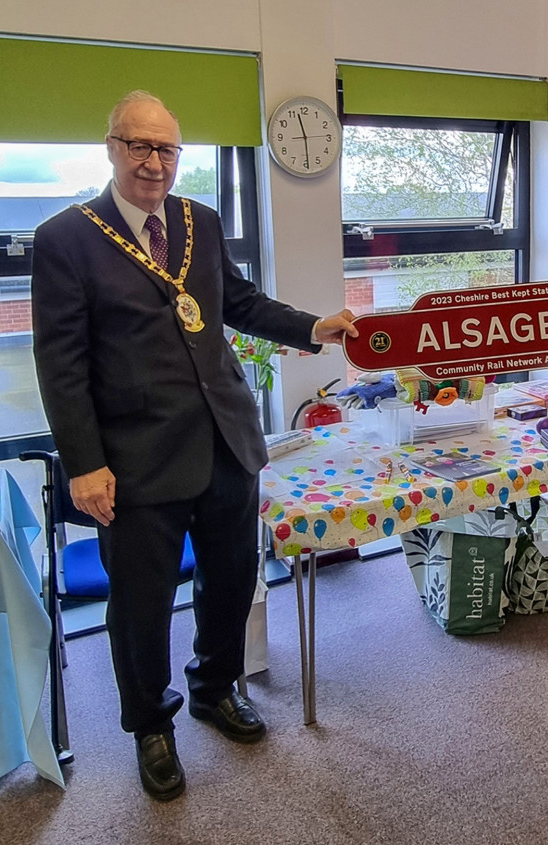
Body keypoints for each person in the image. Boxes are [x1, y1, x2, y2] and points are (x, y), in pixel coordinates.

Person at [31, 90, 358, 800]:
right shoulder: (67, 237)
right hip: (134, 461)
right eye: (139, 146)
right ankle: (151, 724)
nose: (153, 162)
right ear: (112, 147)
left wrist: (314, 326)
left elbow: (236, 302)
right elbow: (60, 364)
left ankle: (214, 685)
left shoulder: (199, 221)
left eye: (167, 149)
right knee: (142, 605)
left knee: (234, 579)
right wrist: (84, 463)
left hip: (226, 442)